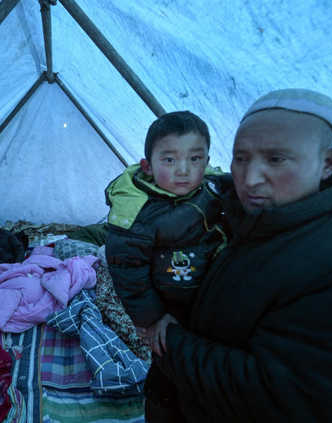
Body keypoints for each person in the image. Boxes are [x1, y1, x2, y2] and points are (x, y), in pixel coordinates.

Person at [151, 89, 332, 422]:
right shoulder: (240, 216)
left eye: (276, 159)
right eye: (241, 157)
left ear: (328, 163)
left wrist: (169, 341)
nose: (249, 177)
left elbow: (281, 399)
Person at [105, 111, 233, 422]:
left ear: (207, 160)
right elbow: (127, 270)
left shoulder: (214, 188)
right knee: (168, 370)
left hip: (211, 299)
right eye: (170, 160)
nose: (184, 171)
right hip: (171, 311)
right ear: (148, 166)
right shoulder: (137, 213)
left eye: (195, 158)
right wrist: (151, 318)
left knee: (205, 374)